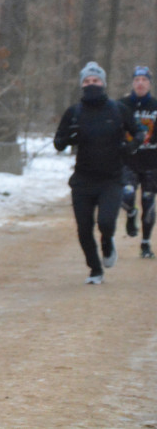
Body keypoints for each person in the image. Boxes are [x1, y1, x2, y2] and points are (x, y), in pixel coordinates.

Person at [54, 61, 145, 284]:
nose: (91, 84)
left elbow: (139, 132)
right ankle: (95, 270)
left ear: (103, 83)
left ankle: (107, 243)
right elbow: (58, 142)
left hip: (111, 179)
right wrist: (70, 138)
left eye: (95, 80)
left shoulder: (117, 109)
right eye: (87, 81)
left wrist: (130, 146)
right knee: (84, 229)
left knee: (106, 223)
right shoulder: (74, 112)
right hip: (83, 179)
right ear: (81, 85)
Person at [118, 65, 157, 257]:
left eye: (144, 80)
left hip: (151, 162)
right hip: (128, 161)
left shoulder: (155, 106)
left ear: (150, 83)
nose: (140, 83)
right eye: (137, 80)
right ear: (132, 83)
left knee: (148, 202)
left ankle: (145, 244)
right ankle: (130, 214)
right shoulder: (121, 105)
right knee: (126, 195)